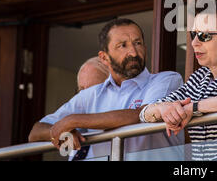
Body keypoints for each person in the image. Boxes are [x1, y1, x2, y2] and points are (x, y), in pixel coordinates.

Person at [47, 5, 217, 161]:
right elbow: (146, 114)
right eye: (193, 34)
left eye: (204, 36)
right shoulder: (199, 78)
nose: (194, 42)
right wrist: (165, 108)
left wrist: (190, 108)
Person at [28, 18, 184, 160]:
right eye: (122, 45)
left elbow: (144, 114)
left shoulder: (166, 80)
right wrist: (59, 131)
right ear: (104, 57)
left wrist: (72, 120)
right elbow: (35, 133)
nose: (133, 52)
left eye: (138, 43)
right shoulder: (92, 95)